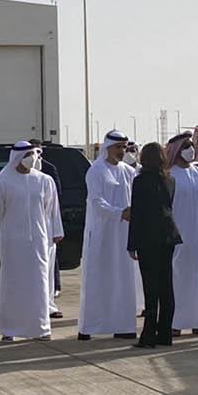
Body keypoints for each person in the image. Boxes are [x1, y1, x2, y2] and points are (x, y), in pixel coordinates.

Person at [0, 141, 64, 341]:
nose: (33, 157)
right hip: (13, 242)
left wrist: (54, 232)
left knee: (39, 283)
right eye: (28, 154)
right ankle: (10, 329)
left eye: (34, 153)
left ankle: (40, 328)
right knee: (12, 284)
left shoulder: (44, 180)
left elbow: (51, 210)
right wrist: (9, 231)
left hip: (38, 242)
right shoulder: (3, 181)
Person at [77, 130, 141, 340]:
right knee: (99, 278)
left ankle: (123, 326)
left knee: (123, 279)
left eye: (124, 147)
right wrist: (119, 213)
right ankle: (90, 327)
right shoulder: (96, 171)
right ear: (107, 148)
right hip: (102, 234)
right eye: (118, 147)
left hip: (124, 234)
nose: (122, 151)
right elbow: (96, 202)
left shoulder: (128, 172)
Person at [128, 143, 182, 348]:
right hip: (167, 235)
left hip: (147, 237)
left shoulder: (140, 181)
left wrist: (131, 243)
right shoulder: (170, 180)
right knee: (166, 285)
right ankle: (164, 333)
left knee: (151, 287)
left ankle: (149, 334)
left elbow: (138, 214)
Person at [166, 130, 198, 337]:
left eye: (191, 146)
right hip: (176, 237)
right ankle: (175, 323)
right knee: (177, 279)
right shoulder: (169, 175)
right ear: (177, 150)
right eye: (186, 146)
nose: (190, 150)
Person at [27, 138, 64, 318]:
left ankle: (49, 305)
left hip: (46, 229)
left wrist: (57, 230)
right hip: (26, 231)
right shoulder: (15, 175)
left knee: (48, 270)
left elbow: (55, 203)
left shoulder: (49, 172)